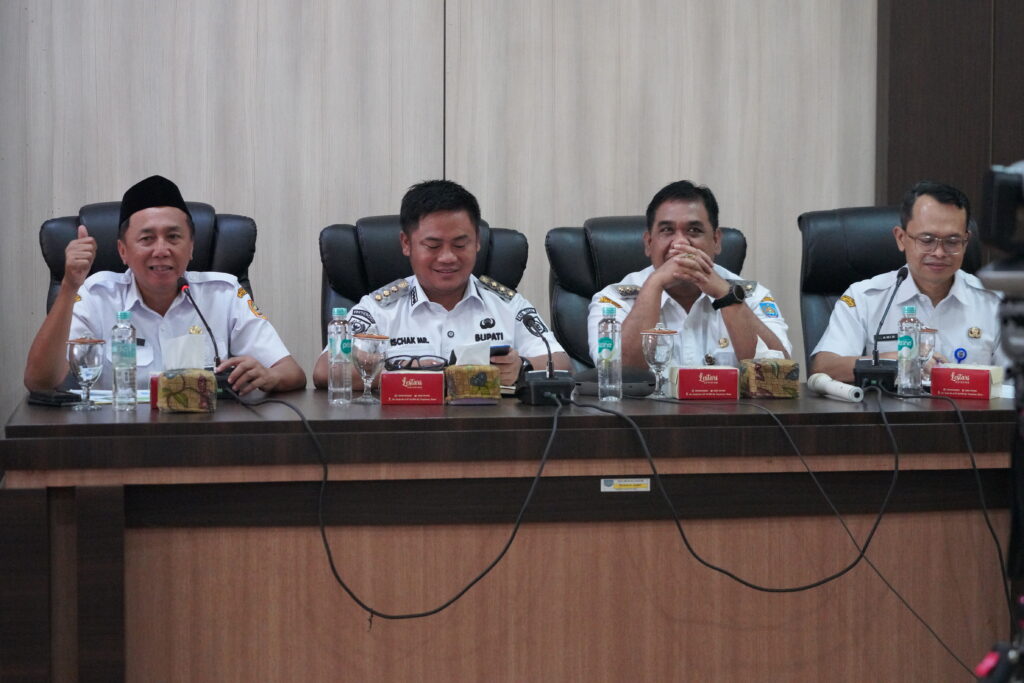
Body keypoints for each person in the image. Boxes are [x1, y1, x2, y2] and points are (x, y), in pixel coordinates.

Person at [24, 175, 306, 396]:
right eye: (147, 239)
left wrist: (269, 376)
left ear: (191, 247)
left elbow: (292, 373)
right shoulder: (96, 296)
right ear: (123, 251)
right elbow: (39, 381)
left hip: (206, 439)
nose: (161, 250)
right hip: (117, 441)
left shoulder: (224, 294)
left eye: (173, 237)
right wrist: (69, 286)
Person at [313, 179, 569, 389]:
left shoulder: (507, 305)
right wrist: (411, 372)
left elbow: (561, 362)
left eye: (460, 244)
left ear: (477, 242)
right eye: (433, 246)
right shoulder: (379, 309)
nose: (447, 257)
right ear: (406, 244)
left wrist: (523, 366)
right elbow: (325, 370)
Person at [811, 181, 1005, 382]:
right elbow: (824, 367)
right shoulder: (865, 298)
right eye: (927, 240)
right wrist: (895, 362)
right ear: (901, 238)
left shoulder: (997, 303)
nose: (939, 253)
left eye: (952, 242)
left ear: (966, 242)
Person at [587, 180, 792, 368]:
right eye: (667, 230)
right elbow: (615, 373)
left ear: (716, 241)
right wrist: (654, 285)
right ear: (649, 243)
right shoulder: (613, 301)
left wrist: (726, 295)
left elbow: (778, 372)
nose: (680, 243)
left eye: (694, 230)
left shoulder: (751, 296)